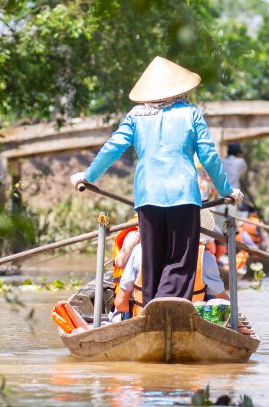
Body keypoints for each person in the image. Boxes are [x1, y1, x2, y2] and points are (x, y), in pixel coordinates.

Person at [71, 56, 243, 309]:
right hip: (183, 196)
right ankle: (166, 307)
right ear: (180, 90)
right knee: (180, 261)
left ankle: (151, 307)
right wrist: (227, 191)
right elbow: (208, 156)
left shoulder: (136, 116)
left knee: (151, 259)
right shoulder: (190, 113)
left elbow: (112, 148)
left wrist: (88, 176)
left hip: (147, 196)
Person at [113, 211, 229, 319]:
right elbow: (223, 300)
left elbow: (120, 303)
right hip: (189, 324)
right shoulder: (206, 259)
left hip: (147, 322)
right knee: (219, 304)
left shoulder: (139, 251)